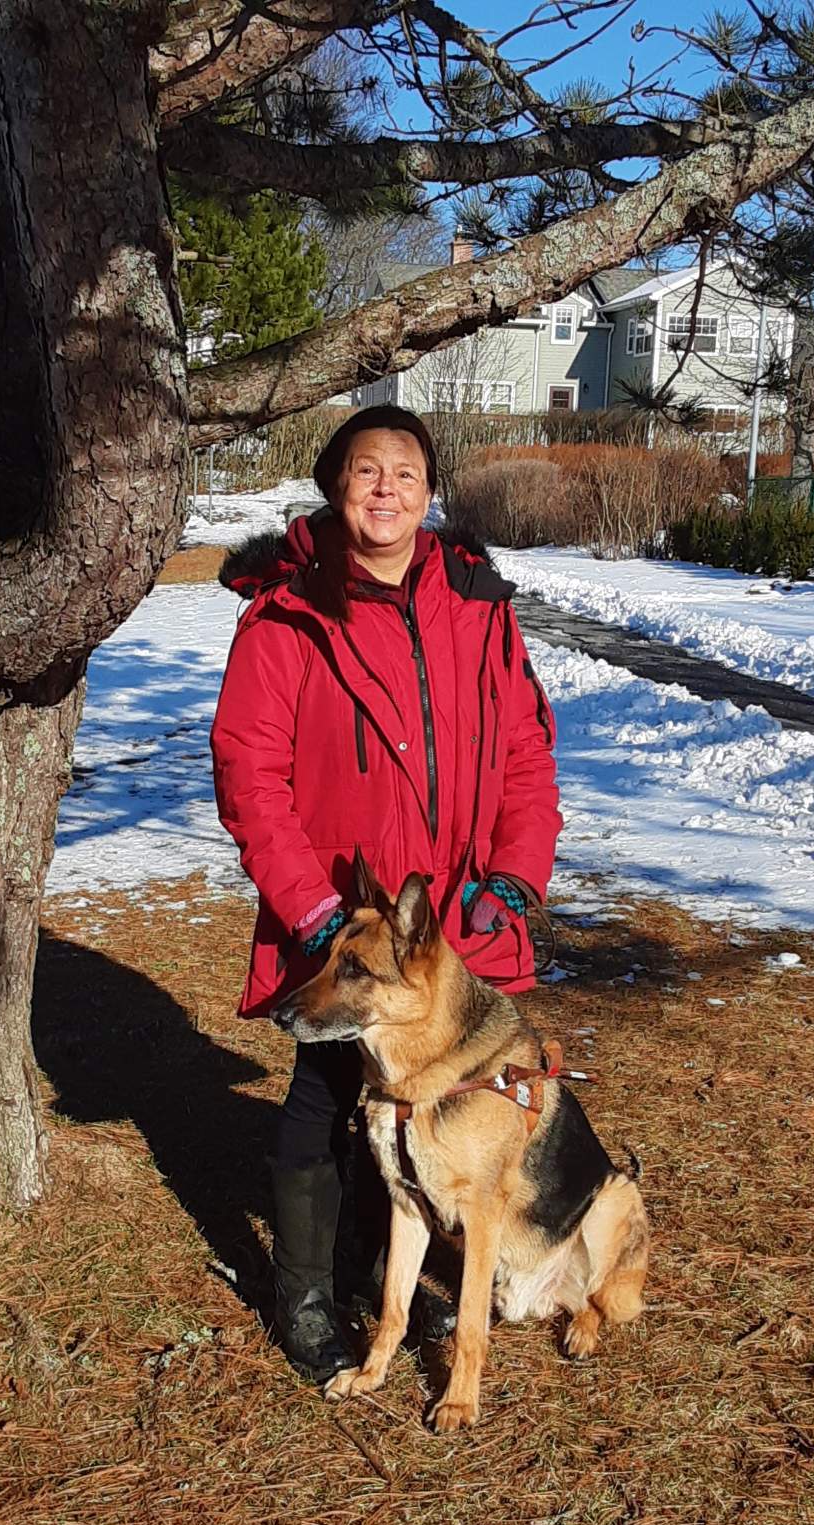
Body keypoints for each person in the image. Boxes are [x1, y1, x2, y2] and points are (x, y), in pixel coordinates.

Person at [210, 405, 562, 1382]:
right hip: (343, 914)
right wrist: (316, 914)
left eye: (406, 472)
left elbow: (528, 751)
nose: (386, 489)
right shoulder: (288, 612)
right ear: (334, 484)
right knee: (328, 1096)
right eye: (366, 470)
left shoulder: (478, 603)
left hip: (455, 921)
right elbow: (250, 773)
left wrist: (515, 878)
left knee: (428, 1103)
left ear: (429, 489)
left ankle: (381, 1270)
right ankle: (309, 1297)